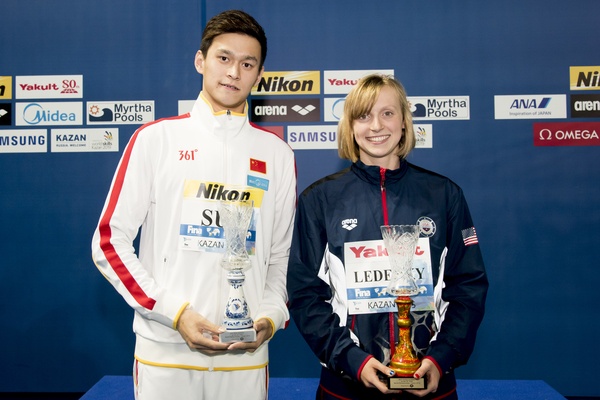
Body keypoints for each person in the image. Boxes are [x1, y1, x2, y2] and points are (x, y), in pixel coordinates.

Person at [91, 10, 296, 400]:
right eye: (224, 58)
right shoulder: (155, 140)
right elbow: (108, 242)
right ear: (200, 61)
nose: (234, 72)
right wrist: (174, 312)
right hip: (166, 350)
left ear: (259, 74)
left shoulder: (277, 155)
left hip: (245, 357)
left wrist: (270, 317)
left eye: (247, 63)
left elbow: (279, 257)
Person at [287, 74, 488, 399]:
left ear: (405, 122)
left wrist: (440, 359)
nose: (376, 125)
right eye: (364, 115)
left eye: (387, 113)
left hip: (429, 381)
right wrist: (352, 359)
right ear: (350, 126)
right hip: (347, 385)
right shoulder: (320, 200)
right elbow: (304, 295)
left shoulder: (444, 194)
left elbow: (468, 289)